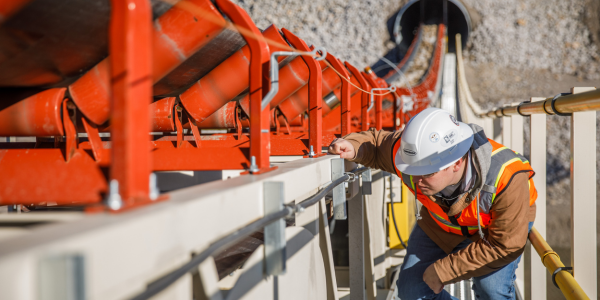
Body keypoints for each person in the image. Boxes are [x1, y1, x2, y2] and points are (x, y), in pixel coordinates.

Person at [328, 108, 537, 300]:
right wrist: (354, 146)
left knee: (492, 290)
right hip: (440, 226)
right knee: (412, 291)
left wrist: (444, 270)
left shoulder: (507, 177)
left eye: (427, 173)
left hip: (494, 235)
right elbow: (377, 144)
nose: (416, 179)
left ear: (457, 162)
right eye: (411, 171)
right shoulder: (411, 159)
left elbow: (504, 245)